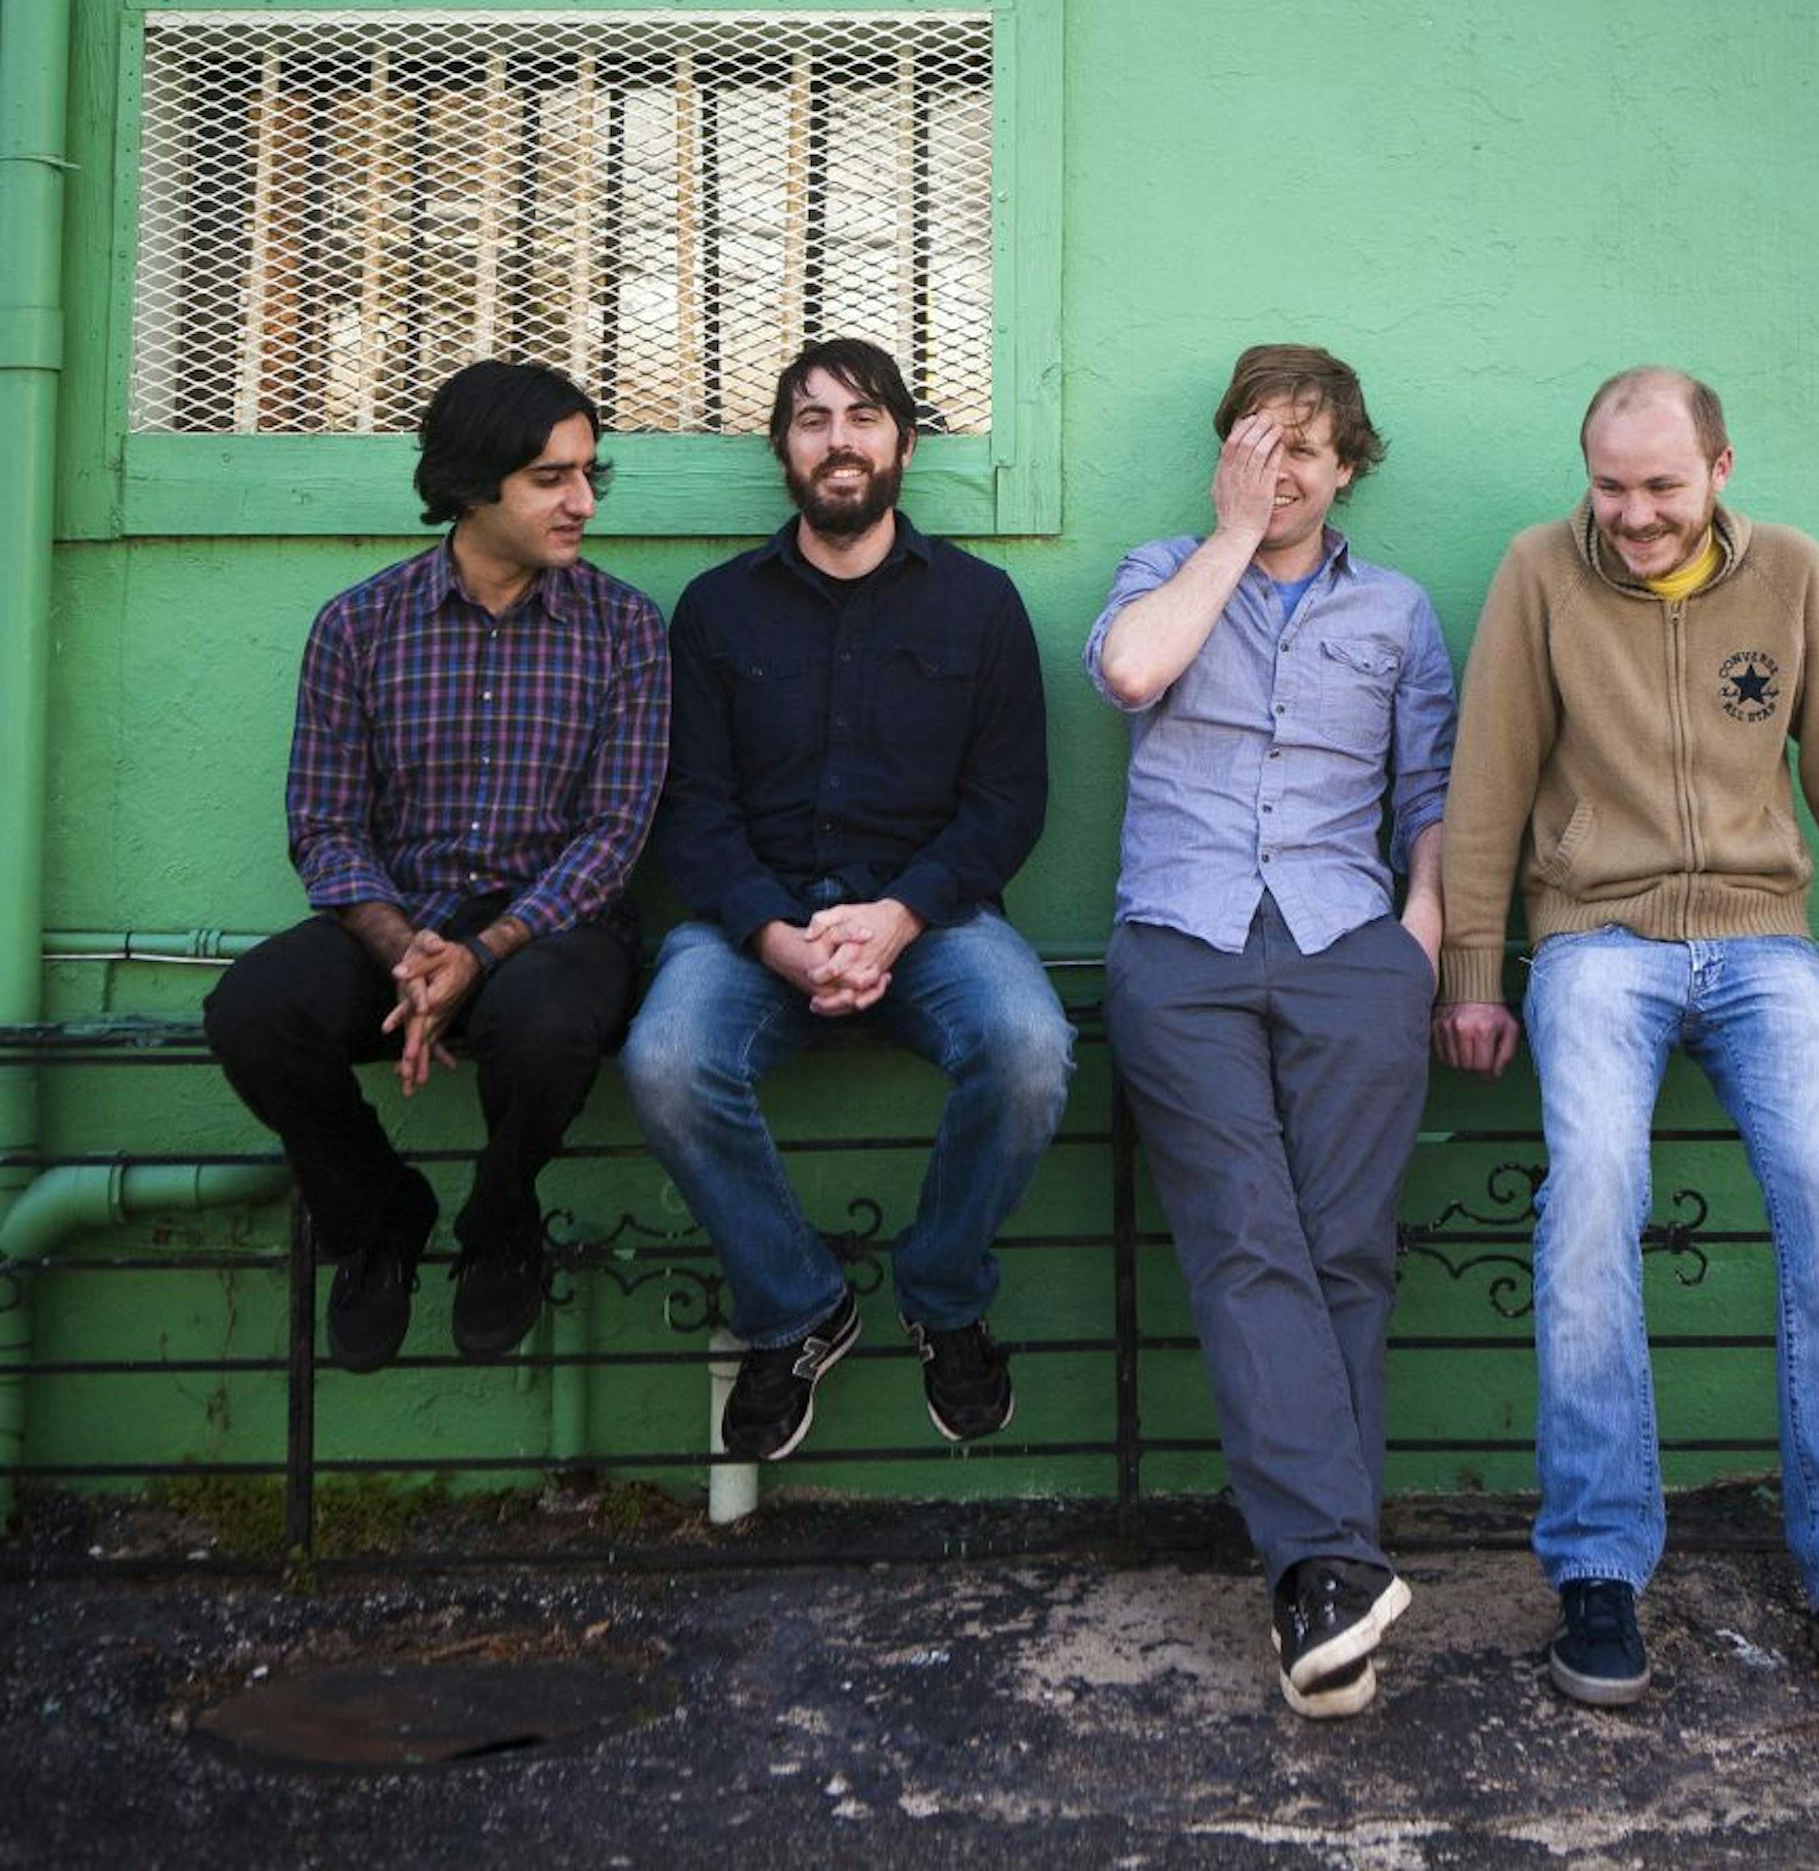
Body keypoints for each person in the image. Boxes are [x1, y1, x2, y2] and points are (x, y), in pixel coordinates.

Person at [1436, 365, 1819, 1705]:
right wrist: (1473, 975)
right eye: (1611, 487)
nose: (1633, 514)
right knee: (1592, 1197)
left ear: (1721, 471)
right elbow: (1488, 781)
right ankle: (1600, 1571)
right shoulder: (1536, 571)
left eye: (1663, 486)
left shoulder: (1790, 575)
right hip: (1594, 945)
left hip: (1761, 946)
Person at [621, 337, 1072, 1461]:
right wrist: (775, 936)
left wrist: (901, 916)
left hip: (935, 923)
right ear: (783, 450)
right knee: (667, 1061)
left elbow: (1008, 802)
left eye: (864, 417)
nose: (839, 440)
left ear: (904, 446)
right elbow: (692, 806)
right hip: (750, 925)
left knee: (1028, 1048)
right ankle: (798, 1306)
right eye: (813, 419)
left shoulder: (980, 605)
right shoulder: (717, 612)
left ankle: (944, 1293)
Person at [1087, 344, 1455, 1720]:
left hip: (1347, 945)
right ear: (1224, 456)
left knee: (1346, 1251)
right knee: (1247, 1232)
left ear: (1349, 463)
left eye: (1308, 448)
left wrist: (1421, 934)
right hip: (1180, 944)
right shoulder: (1161, 572)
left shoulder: (1401, 611)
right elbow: (1129, 675)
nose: (1284, 469)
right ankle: (1329, 1570)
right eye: (1258, 443)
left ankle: (1326, 1597)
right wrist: (1232, 539)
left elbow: (1432, 787)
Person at [204, 359, 668, 1370]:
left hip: (555, 923)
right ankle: (379, 1221)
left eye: (591, 474)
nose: (582, 502)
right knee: (251, 1011)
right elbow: (325, 826)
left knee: (547, 1025)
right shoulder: (358, 627)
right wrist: (408, 946)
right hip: (399, 917)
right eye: (552, 478)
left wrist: (483, 951)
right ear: (472, 484)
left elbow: (614, 833)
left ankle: (502, 1226)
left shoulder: (625, 629)